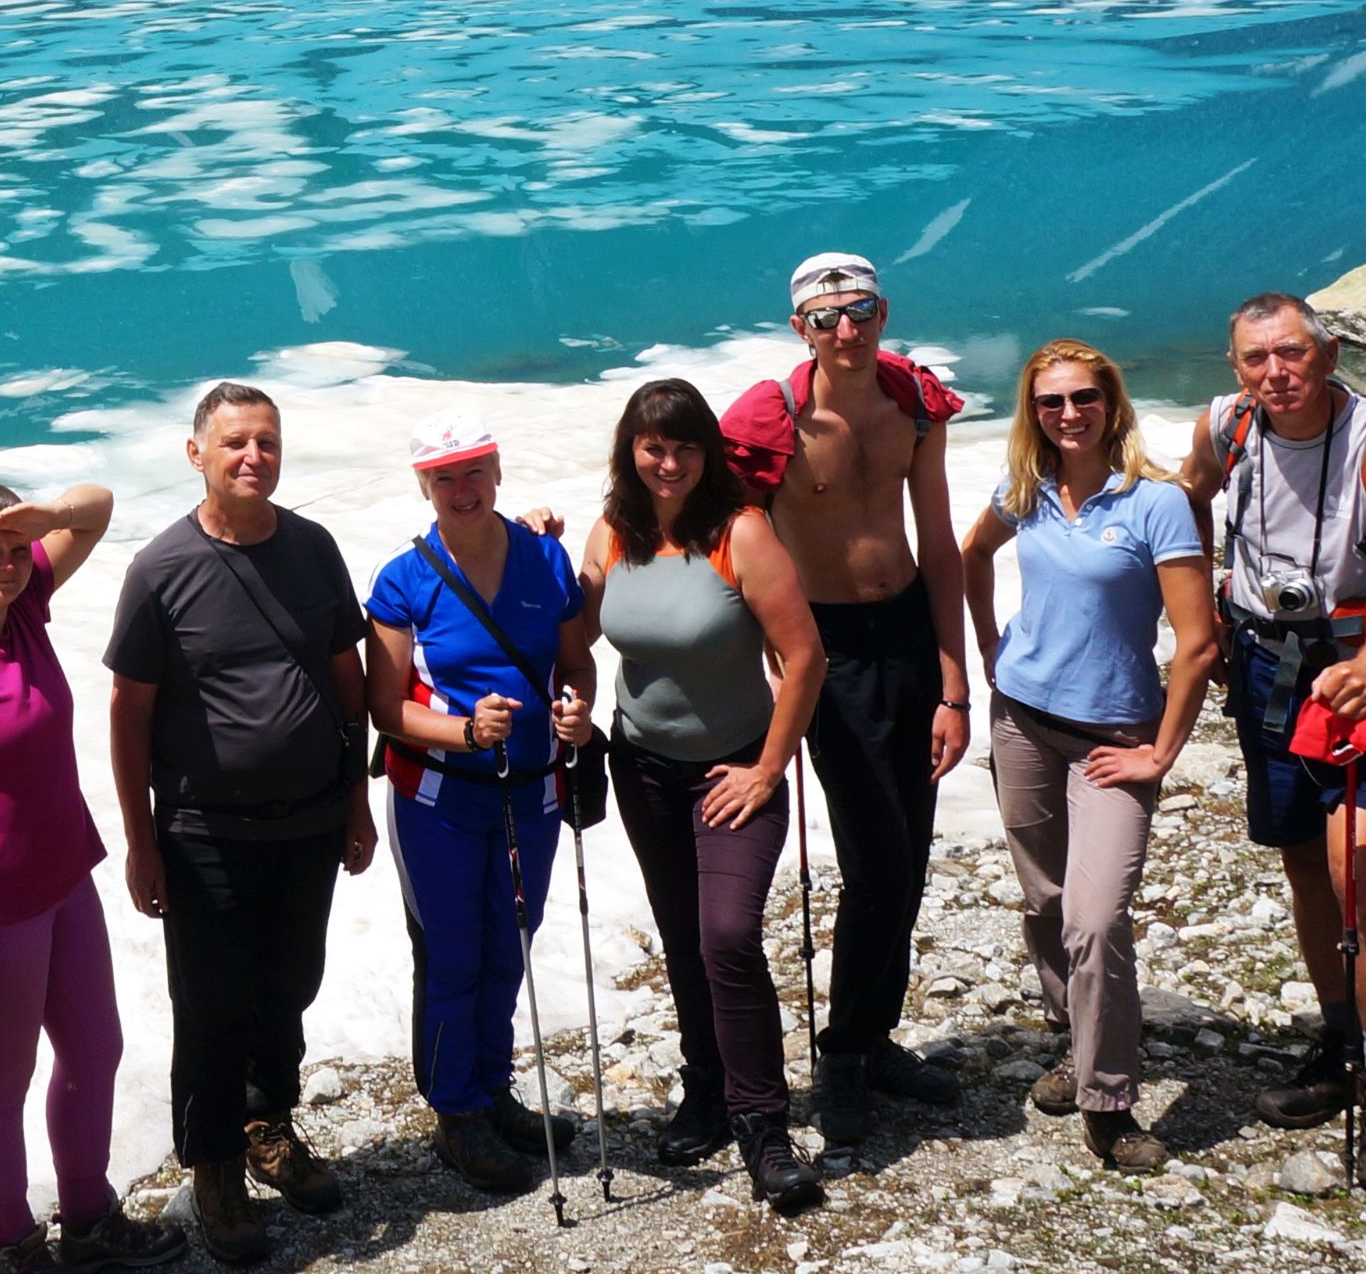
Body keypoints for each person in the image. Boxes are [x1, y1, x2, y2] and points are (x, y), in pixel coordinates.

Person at [0, 481, 187, 1274]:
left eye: (20, 549)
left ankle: (88, 1218)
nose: (12, 564)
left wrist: (33, 522)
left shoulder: (20, 604)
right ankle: (15, 1246)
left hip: (63, 881)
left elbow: (99, 506)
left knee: (95, 1047)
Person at [106, 381, 377, 1267]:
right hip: (203, 831)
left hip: (308, 822)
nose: (252, 456)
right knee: (212, 1003)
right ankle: (214, 1162)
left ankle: (269, 1122)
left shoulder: (313, 547)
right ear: (197, 454)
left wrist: (357, 801)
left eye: (266, 440)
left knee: (289, 983)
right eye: (233, 443)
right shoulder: (160, 567)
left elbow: (348, 680)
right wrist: (141, 840)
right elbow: (128, 713)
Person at [1181, 293, 1366, 1194]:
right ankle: (1340, 1038)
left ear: (1327, 349)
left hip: (1358, 671)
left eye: (1292, 354)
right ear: (1234, 366)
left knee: (1359, 872)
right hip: (1265, 666)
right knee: (1302, 861)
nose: (1275, 374)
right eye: (1255, 359)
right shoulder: (1227, 428)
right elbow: (1185, 507)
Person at [716, 252, 974, 1143]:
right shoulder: (771, 417)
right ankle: (844, 1054)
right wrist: (762, 664)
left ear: (882, 311)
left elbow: (937, 541)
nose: (846, 330)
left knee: (910, 845)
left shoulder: (913, 400)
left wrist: (954, 679)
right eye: (826, 317)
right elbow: (731, 537)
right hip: (823, 653)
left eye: (860, 310)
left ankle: (872, 1036)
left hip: (905, 632)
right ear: (801, 327)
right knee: (877, 862)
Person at [558, 377, 831, 1216]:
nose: (668, 461)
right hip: (644, 768)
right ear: (630, 451)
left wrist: (767, 767)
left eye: (682, 445)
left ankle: (763, 1124)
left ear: (705, 451)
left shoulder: (739, 533)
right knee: (684, 935)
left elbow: (806, 657)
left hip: (734, 769)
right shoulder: (616, 531)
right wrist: (571, 705)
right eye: (653, 445)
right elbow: (575, 637)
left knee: (727, 936)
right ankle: (706, 1089)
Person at [961, 341, 1218, 1174]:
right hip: (1023, 722)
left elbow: (1198, 641)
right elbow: (970, 557)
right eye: (1050, 402)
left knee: (1095, 915)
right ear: (1032, 412)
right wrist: (991, 646)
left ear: (1112, 402)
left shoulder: (1157, 502)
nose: (1068, 414)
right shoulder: (1025, 489)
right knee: (1044, 899)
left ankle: (1109, 1099)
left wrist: (1162, 752)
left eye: (1083, 398)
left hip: (1115, 737)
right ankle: (1074, 1044)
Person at [366, 409, 587, 1195]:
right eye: (444, 478)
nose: (462, 489)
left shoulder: (545, 558)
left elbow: (576, 664)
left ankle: (493, 1090)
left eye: (474, 472)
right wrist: (463, 730)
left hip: (532, 791)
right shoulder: (404, 578)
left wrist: (576, 713)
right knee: (454, 952)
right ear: (424, 486)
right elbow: (385, 707)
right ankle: (455, 1113)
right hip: (438, 795)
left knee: (509, 942)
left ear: (498, 473)